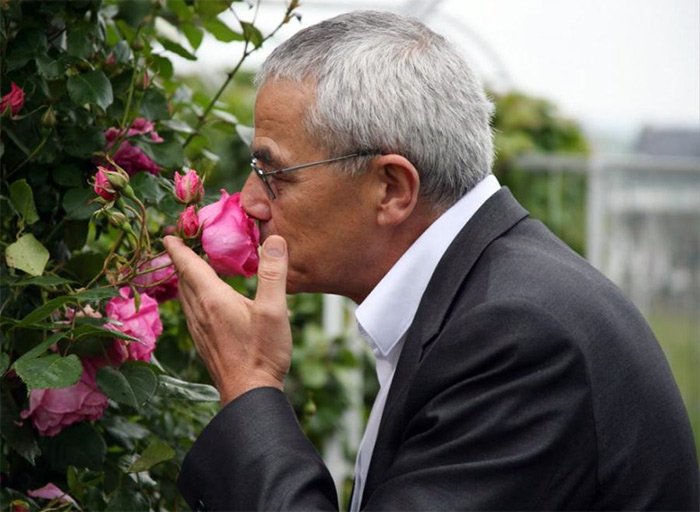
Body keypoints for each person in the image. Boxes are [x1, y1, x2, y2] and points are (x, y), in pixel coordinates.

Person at [164, 10, 699, 511]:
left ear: (392, 189)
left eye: (273, 172)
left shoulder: (519, 336)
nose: (251, 202)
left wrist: (250, 383)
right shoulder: (487, 291)